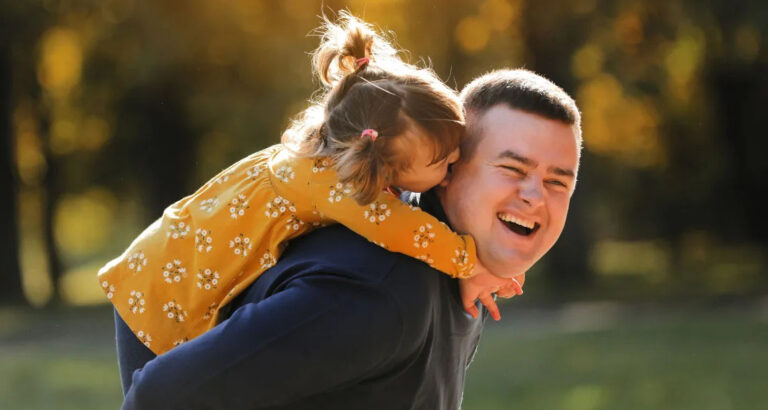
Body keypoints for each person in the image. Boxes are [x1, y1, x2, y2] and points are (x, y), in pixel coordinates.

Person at [117, 66, 582, 409]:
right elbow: (160, 398)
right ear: (448, 168)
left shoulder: (461, 276)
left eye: (558, 182)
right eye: (512, 169)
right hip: (157, 295)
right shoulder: (379, 293)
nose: (534, 197)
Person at [99, 15, 521, 356]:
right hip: (160, 289)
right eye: (442, 162)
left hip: (167, 254)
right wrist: (472, 261)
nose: (454, 165)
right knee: (162, 395)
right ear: (381, 166)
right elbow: (405, 231)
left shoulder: (331, 143)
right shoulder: (335, 183)